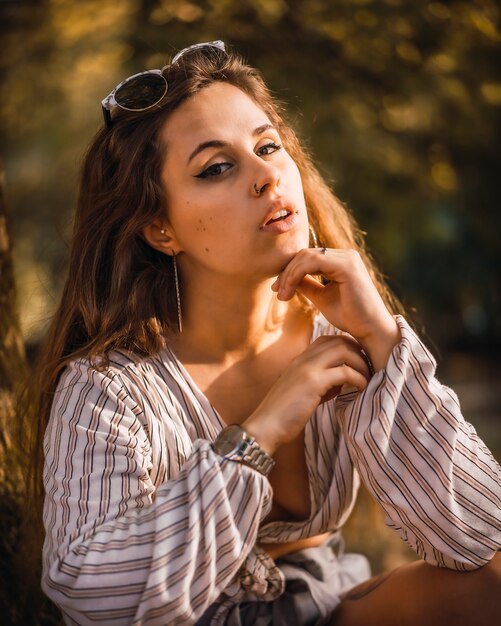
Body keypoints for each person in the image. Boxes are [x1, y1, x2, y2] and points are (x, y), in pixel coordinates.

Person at [34, 40, 500, 625]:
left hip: (327, 604)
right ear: (160, 228)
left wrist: (384, 341)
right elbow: (99, 600)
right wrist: (263, 429)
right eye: (216, 167)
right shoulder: (111, 390)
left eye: (267, 146)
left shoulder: (342, 334)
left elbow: (478, 537)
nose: (264, 176)